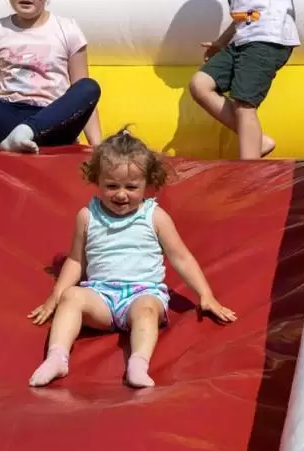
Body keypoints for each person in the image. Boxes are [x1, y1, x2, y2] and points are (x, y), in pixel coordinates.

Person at [27, 127, 237, 388]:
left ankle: (138, 364)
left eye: (131, 187)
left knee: (146, 310)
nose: (121, 194)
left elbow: (181, 257)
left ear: (147, 184)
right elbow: (76, 261)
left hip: (142, 292)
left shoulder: (154, 216)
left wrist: (205, 295)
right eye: (111, 186)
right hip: (101, 296)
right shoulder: (88, 216)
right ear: (97, 180)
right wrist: (56, 296)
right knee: (72, 297)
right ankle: (57, 357)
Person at [0, 0, 102, 154]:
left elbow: (84, 99)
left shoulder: (67, 30)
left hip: (51, 123)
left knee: (89, 86)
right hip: (5, 121)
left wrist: (97, 146)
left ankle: (26, 131)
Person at [188, 0, 304, 159]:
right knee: (200, 84)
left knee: (244, 105)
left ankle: (249, 166)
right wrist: (221, 42)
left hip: (268, 39)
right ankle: (260, 142)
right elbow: (244, 16)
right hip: (242, 41)